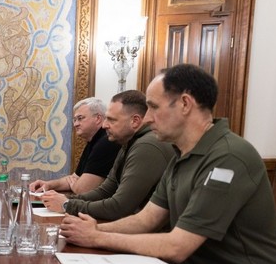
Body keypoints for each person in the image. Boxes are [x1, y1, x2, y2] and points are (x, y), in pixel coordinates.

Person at [60, 64, 276, 264]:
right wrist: (93, 230)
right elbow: (147, 219)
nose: (146, 118)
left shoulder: (228, 157)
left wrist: (98, 236)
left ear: (184, 104)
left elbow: (178, 246)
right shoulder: (181, 154)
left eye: (154, 107)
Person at [41, 90, 175, 221]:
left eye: (111, 120)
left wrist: (67, 205)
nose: (104, 125)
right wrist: (63, 200)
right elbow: (105, 191)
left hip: (157, 234)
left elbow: (119, 207)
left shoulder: (146, 146)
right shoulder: (127, 142)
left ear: (135, 121)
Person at [30, 97, 119, 195]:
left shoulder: (105, 142)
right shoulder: (93, 141)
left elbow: (83, 190)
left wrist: (75, 184)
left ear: (98, 118)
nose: (76, 124)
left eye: (80, 118)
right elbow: (74, 178)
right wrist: (49, 184)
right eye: (74, 120)